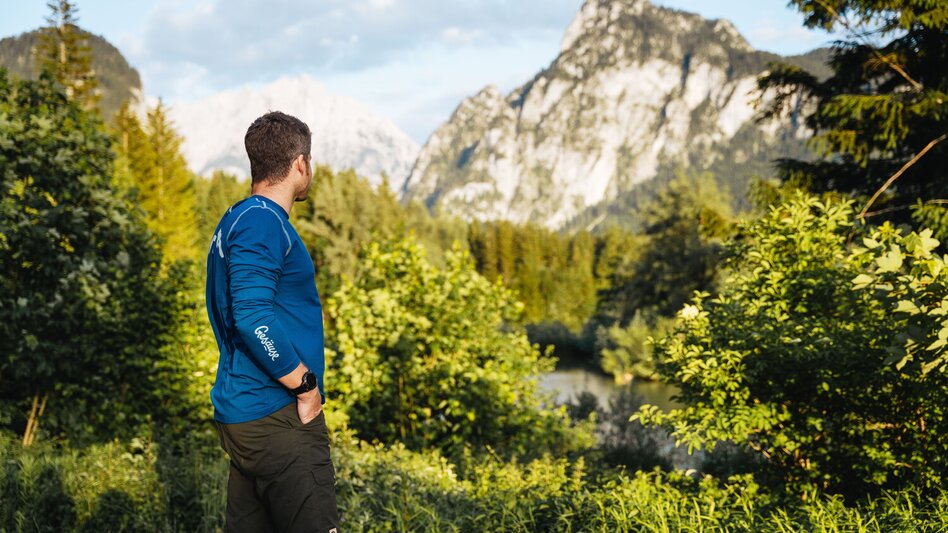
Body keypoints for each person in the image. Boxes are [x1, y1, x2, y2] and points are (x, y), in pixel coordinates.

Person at [205, 111, 340, 532]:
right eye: (310, 162)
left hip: (247, 416)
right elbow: (251, 316)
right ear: (300, 164)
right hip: (277, 414)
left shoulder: (238, 219)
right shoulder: (263, 222)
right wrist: (304, 386)